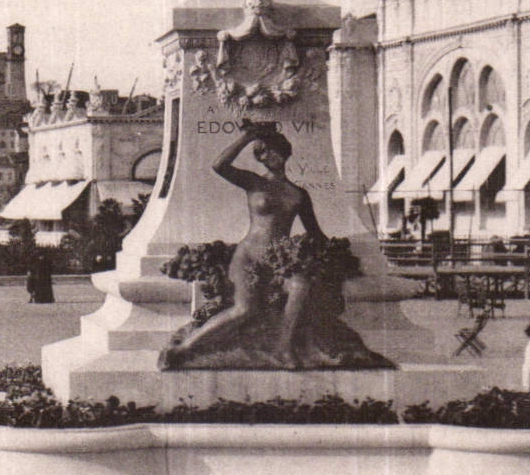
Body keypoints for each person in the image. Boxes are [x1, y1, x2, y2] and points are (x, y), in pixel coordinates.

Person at [159, 120, 387, 370]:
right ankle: (186, 348)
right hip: (248, 257)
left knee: (300, 285)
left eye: (275, 150)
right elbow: (219, 165)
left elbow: (315, 233)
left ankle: (283, 347)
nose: (271, 155)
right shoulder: (255, 183)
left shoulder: (298, 194)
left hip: (279, 260)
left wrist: (333, 253)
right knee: (244, 309)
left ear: (285, 153)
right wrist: (247, 137)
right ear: (259, 157)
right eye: (264, 151)